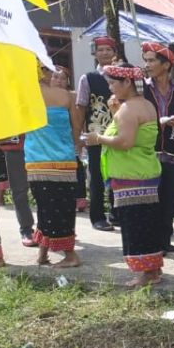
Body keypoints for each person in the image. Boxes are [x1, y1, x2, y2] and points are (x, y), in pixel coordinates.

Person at [80, 66, 165, 287]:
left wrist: (97, 138)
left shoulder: (129, 109)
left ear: (127, 83)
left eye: (113, 83)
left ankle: (143, 273)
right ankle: (153, 269)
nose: (110, 87)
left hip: (130, 174)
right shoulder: (146, 105)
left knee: (133, 224)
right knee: (147, 222)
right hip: (144, 171)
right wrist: (116, 111)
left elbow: (125, 142)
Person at [25, 65, 82, 268]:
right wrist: (70, 147)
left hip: (37, 160)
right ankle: (43, 252)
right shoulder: (66, 96)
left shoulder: (27, 95)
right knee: (60, 208)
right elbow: (77, 127)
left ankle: (70, 255)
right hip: (64, 161)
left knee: (45, 208)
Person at [142, 42, 174, 253]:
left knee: (170, 199)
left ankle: (164, 241)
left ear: (166, 64)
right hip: (148, 151)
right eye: (146, 60)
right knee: (150, 199)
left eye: (152, 60)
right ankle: (151, 243)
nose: (147, 65)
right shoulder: (141, 89)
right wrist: (162, 120)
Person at [76, 35, 118, 231]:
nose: (104, 53)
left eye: (108, 50)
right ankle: (98, 217)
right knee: (97, 177)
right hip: (95, 134)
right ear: (95, 53)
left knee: (118, 172)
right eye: (100, 50)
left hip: (118, 132)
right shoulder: (88, 78)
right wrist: (79, 136)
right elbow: (81, 107)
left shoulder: (122, 76)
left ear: (114, 52)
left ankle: (116, 214)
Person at [0, 132, 35, 247]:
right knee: (19, 191)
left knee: (45, 189)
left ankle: (51, 230)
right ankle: (27, 230)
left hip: (41, 144)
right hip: (14, 145)